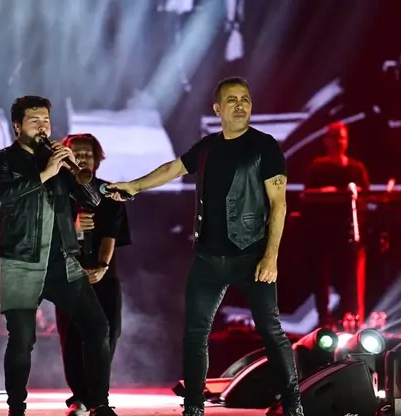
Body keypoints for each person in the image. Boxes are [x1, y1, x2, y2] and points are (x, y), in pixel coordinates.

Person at [106, 77, 303, 416]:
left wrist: (270, 256)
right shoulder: (208, 147)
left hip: (251, 254)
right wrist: (134, 186)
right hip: (209, 257)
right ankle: (194, 406)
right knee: (195, 333)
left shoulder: (264, 146)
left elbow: (279, 204)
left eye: (245, 99)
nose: (240, 105)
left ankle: (293, 403)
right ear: (218, 108)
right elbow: (173, 168)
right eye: (232, 100)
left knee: (271, 331)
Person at [0, 96, 116, 416]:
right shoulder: (1, 160)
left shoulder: (57, 160)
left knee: (97, 326)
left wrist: (73, 167)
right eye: (35, 121)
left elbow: (91, 200)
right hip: (20, 259)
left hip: (62, 260)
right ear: (18, 126)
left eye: (46, 120)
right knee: (22, 340)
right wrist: (45, 173)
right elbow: (3, 196)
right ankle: (17, 408)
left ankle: (99, 404)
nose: (43, 127)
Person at [56, 134, 131, 416]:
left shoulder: (110, 193)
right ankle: (80, 396)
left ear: (97, 159)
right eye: (76, 153)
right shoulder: (56, 192)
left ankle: (98, 396)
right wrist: (73, 228)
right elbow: (48, 236)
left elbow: (112, 234)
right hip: (69, 274)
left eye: (88, 154)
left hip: (103, 274)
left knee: (108, 332)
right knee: (72, 335)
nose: (83, 158)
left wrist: (102, 266)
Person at [303, 122, 369, 329]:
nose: (339, 141)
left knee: (349, 276)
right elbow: (308, 196)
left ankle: (348, 317)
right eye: (335, 137)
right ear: (326, 140)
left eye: (342, 137)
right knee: (321, 276)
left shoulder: (356, 168)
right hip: (322, 230)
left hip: (347, 231)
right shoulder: (317, 167)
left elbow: (366, 197)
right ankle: (325, 319)